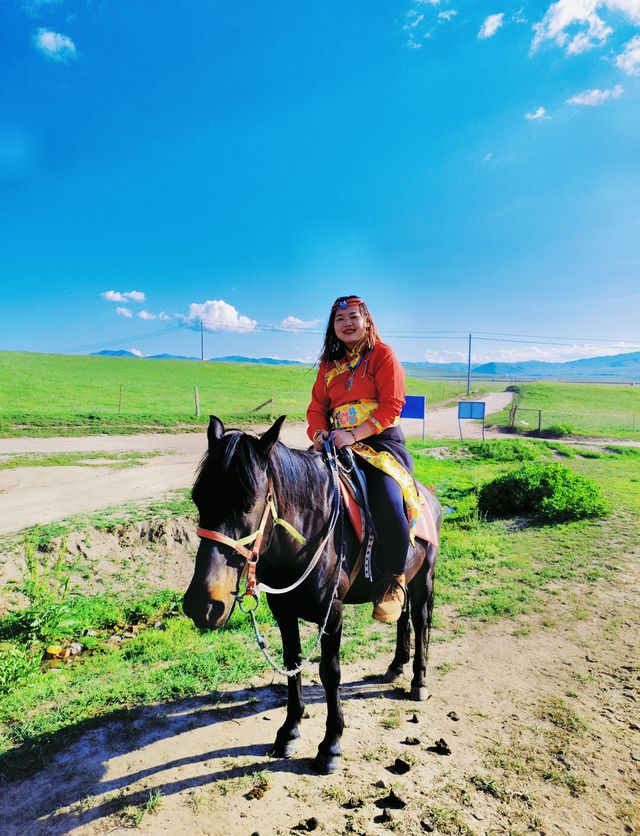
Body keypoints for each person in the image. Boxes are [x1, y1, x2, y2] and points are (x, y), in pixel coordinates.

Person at [306, 295, 422, 623]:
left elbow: (391, 405)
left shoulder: (383, 356)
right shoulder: (329, 367)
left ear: (366, 320)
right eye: (339, 319)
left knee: (386, 497)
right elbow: (317, 409)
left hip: (381, 444)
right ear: (333, 327)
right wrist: (318, 434)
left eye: (353, 317)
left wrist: (354, 434)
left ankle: (395, 581)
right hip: (335, 445)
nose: (347, 324)